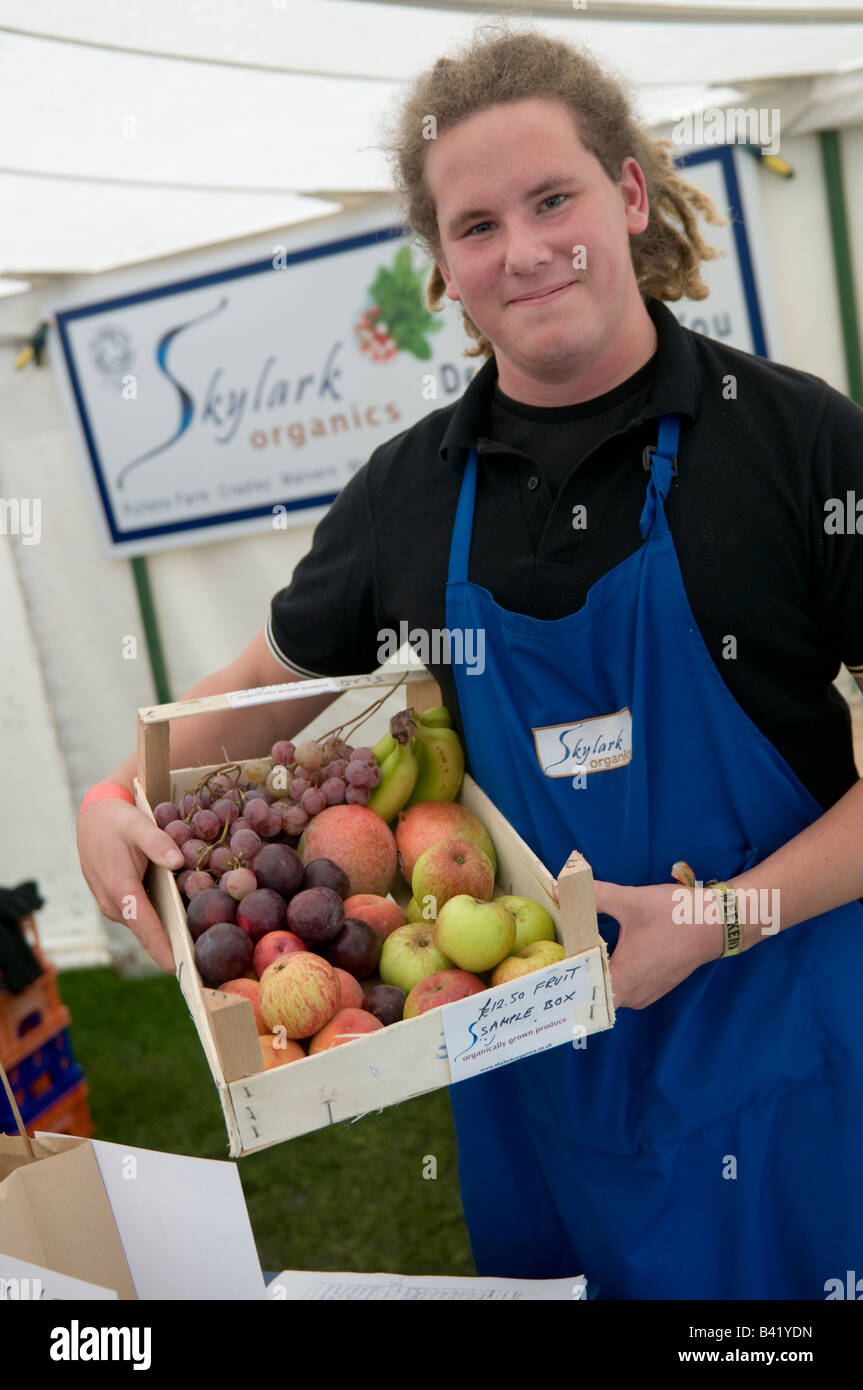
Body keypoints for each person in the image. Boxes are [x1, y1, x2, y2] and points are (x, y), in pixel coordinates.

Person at [77, 27, 863, 1299]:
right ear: (441, 268)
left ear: (624, 192)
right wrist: (112, 796)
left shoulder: (790, 442)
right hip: (528, 1076)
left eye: (551, 198)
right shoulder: (403, 498)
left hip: (788, 1055)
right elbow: (241, 701)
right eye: (475, 224)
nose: (523, 249)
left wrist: (718, 918)